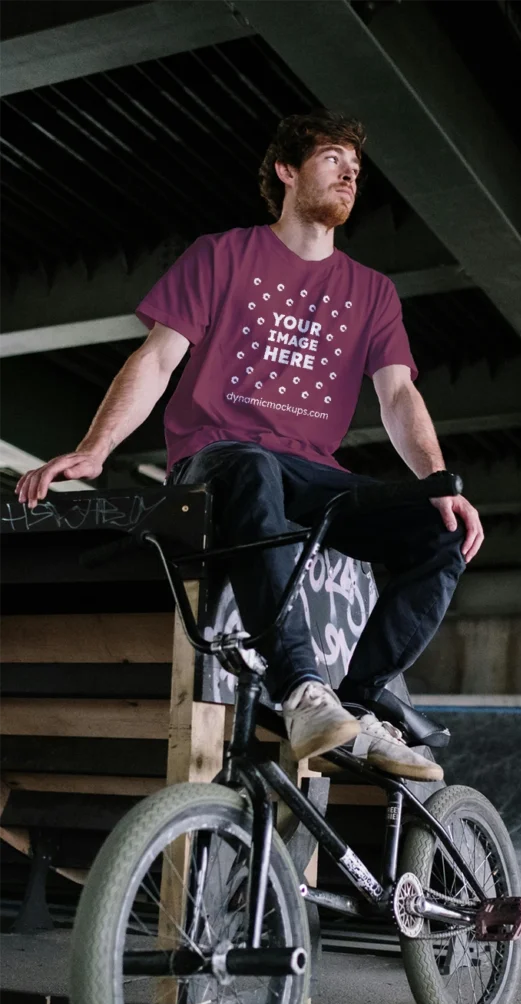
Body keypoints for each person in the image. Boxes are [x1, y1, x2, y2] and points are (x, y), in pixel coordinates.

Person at [15, 110, 483, 781]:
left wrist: (437, 481)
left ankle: (356, 706)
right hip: (219, 459)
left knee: (437, 532)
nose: (349, 171)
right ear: (286, 171)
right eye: (331, 158)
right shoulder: (223, 255)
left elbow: (398, 396)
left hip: (312, 471)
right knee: (254, 464)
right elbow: (156, 359)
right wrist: (96, 447)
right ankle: (303, 691)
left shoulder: (372, 293)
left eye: (355, 165)